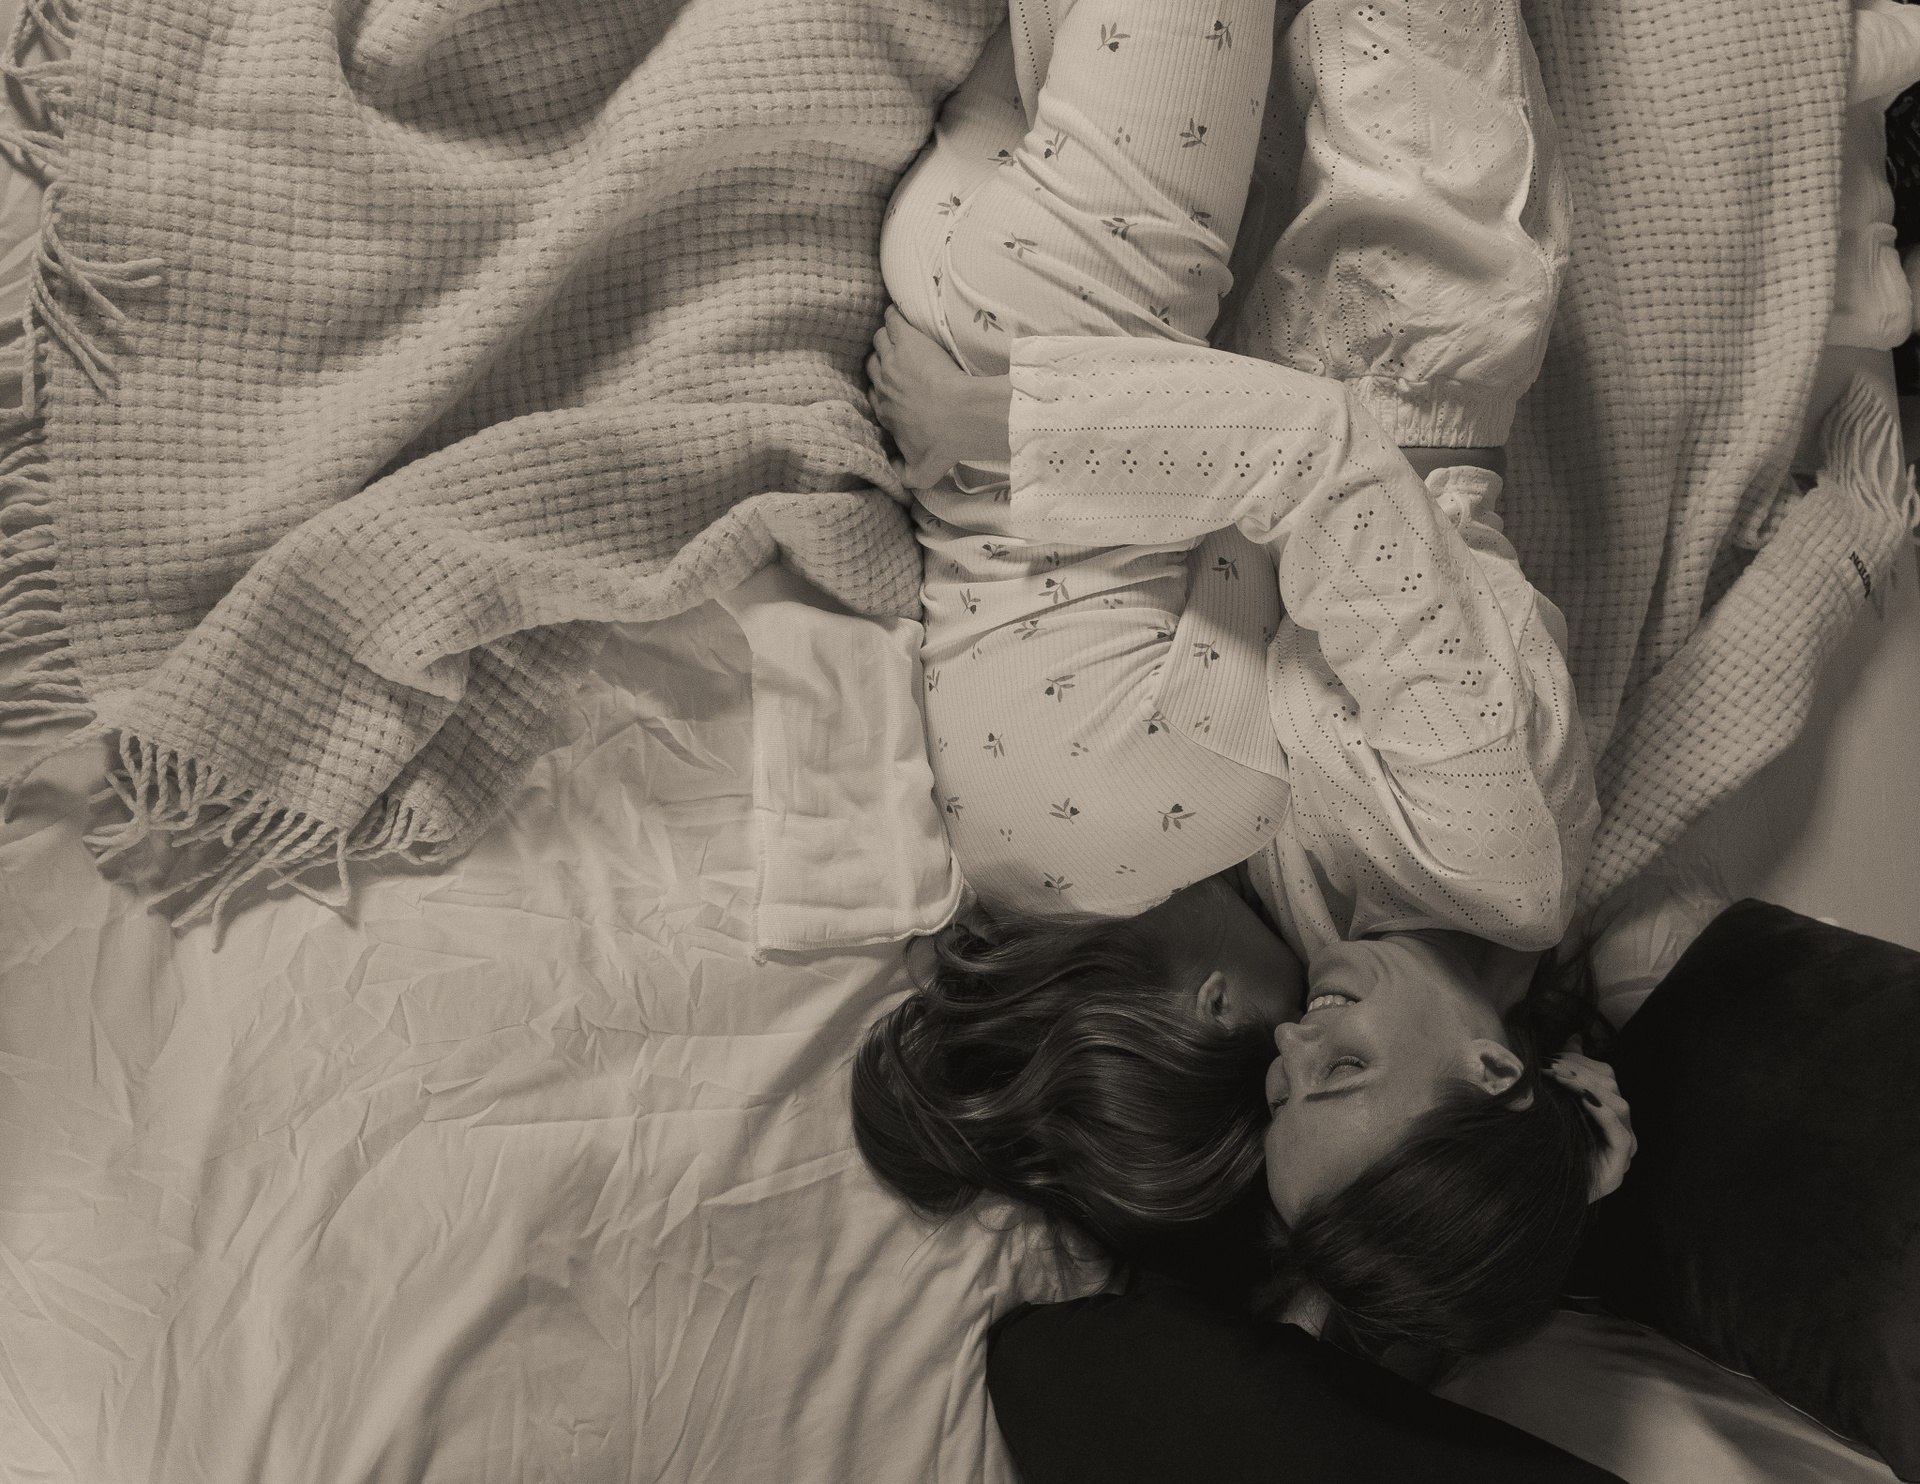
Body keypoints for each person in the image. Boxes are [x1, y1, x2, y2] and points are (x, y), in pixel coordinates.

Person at [853, 0, 1630, 1362]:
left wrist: (1573, 1152)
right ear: (1491, 1068)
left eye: (1281, 1097)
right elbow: (1327, 462)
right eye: (1341, 1072)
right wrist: (1003, 426)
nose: (1290, 1048)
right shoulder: (1490, 847)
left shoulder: (1349, 934)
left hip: (1248, 333)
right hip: (1409, 274)